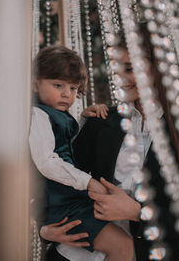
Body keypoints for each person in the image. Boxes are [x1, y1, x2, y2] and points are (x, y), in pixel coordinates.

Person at [40, 30, 179, 260]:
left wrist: (138, 213)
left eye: (129, 68)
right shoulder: (102, 121)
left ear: (160, 69)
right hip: (76, 253)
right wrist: (44, 230)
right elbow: (53, 179)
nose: (118, 77)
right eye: (116, 68)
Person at [29, 45, 134, 261]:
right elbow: (47, 161)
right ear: (35, 84)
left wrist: (84, 120)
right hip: (62, 204)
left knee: (122, 246)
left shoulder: (57, 115)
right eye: (58, 85)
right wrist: (88, 182)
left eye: (74, 88)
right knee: (123, 247)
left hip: (71, 200)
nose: (66, 94)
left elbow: (67, 150)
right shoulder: (37, 115)